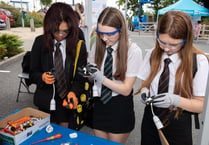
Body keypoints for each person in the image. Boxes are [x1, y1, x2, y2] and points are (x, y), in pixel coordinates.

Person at [136, 11, 209, 145]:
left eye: (174, 44)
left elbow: (200, 105)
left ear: (186, 40)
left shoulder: (199, 61)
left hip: (178, 121)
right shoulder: (153, 54)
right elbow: (145, 84)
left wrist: (175, 100)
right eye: (162, 42)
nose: (166, 49)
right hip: (151, 118)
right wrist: (144, 91)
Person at [86, 7, 143, 144]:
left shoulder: (133, 51)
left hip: (120, 107)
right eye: (101, 33)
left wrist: (101, 78)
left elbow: (126, 89)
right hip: (99, 102)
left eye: (109, 34)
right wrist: (88, 73)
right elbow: (91, 75)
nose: (104, 38)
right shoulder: (98, 45)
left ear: (121, 30)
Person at [30, 2, 87, 128]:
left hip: (68, 102)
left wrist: (74, 93)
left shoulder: (78, 45)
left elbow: (80, 76)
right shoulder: (40, 43)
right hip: (46, 102)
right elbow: (32, 73)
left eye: (65, 31)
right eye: (56, 31)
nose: (61, 35)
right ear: (49, 27)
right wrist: (42, 77)